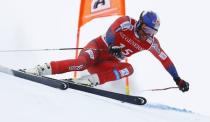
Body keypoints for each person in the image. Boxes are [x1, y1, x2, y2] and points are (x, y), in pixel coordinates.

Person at [22, 11, 189, 92]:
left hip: (107, 63)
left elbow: (165, 60)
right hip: (97, 48)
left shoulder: (150, 42)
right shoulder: (126, 22)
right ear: (139, 23)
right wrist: (111, 45)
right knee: (80, 64)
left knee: (128, 69)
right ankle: (41, 69)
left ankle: (90, 81)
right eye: (147, 29)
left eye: (152, 32)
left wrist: (177, 79)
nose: (148, 34)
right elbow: (111, 32)